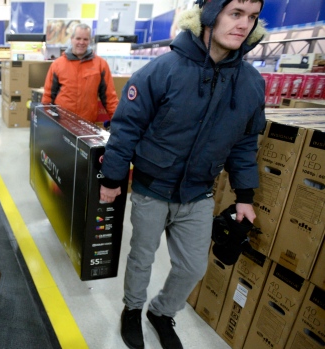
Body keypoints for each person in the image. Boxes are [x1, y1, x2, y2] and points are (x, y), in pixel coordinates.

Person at [98, 1, 267, 348]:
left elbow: (244, 143)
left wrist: (245, 196)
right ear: (209, 15)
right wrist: (112, 181)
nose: (243, 25)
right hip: (151, 188)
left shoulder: (250, 83)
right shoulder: (162, 70)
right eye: (235, 13)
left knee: (192, 267)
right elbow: (126, 128)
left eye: (251, 17)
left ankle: (160, 312)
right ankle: (132, 309)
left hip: (199, 192)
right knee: (142, 259)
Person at [42, 23, 118, 123]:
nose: (81, 42)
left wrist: (118, 122)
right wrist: (46, 122)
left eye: (85, 39)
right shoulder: (57, 65)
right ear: (71, 39)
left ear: (89, 41)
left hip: (87, 124)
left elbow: (109, 98)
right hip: (62, 123)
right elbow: (48, 96)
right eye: (78, 38)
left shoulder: (101, 65)